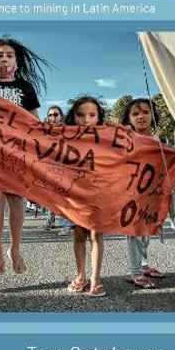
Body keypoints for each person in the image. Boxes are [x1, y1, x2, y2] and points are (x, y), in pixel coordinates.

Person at [0, 36, 50, 274]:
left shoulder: (25, 87)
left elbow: (34, 120)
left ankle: (15, 248)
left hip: (18, 149)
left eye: (9, 55)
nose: (4, 58)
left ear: (16, 60)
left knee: (17, 199)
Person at [121, 98, 165, 289]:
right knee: (134, 232)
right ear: (129, 118)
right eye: (135, 113)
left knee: (147, 231)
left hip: (153, 195)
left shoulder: (157, 140)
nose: (141, 117)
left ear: (153, 115)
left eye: (145, 112)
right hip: (131, 193)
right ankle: (135, 272)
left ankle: (143, 265)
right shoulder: (126, 139)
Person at [66, 96, 107, 297]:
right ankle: (81, 275)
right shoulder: (64, 138)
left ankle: (96, 278)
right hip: (73, 194)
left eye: (92, 115)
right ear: (73, 117)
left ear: (99, 117)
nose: (86, 119)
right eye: (81, 115)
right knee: (79, 235)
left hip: (98, 194)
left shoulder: (108, 139)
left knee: (96, 234)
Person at [42, 105, 64, 230]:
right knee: (50, 195)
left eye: (55, 114)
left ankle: (67, 223)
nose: (53, 117)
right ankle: (50, 220)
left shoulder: (68, 131)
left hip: (65, 167)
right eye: (50, 115)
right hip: (49, 167)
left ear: (60, 116)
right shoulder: (45, 132)